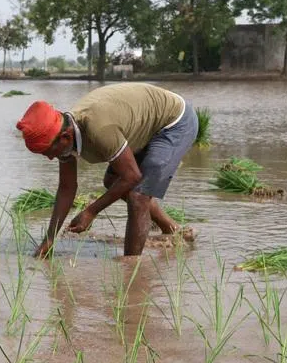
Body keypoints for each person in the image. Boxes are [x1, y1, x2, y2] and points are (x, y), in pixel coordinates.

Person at [15, 82, 198, 258]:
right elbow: (66, 188)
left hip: (174, 123)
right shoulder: (64, 134)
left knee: (138, 195)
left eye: (49, 152)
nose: (50, 158)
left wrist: (91, 211)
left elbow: (132, 176)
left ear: (65, 137)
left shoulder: (98, 129)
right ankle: (172, 229)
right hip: (142, 124)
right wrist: (49, 239)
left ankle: (132, 266)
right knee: (112, 182)